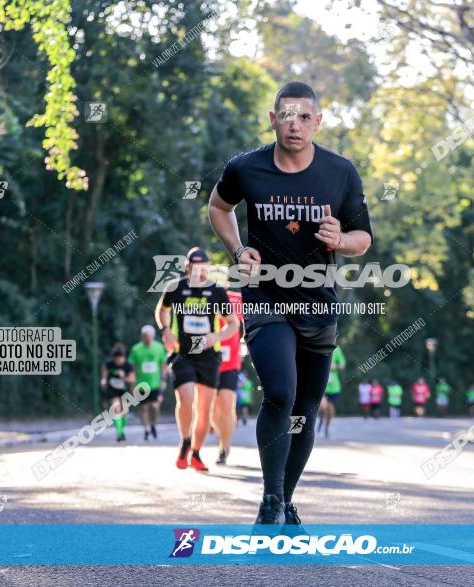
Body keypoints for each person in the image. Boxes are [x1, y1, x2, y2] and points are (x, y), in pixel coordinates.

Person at [208, 81, 373, 524]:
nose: (295, 125)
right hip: (265, 297)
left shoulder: (341, 172)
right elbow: (218, 207)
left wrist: (342, 239)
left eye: (304, 117)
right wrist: (238, 252)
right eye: (287, 115)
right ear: (273, 118)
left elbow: (363, 238)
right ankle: (270, 499)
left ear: (317, 122)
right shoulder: (246, 167)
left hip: (318, 303)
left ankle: (286, 498)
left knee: (306, 409)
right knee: (281, 391)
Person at [156, 247, 240, 472]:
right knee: (185, 398)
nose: (200, 269)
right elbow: (161, 311)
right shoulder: (176, 287)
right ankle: (185, 442)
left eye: (205, 265)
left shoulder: (216, 292)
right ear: (188, 266)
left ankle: (195, 453)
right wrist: (165, 331)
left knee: (204, 410)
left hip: (209, 357)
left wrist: (217, 336)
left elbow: (233, 324)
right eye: (196, 265)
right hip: (182, 353)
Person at [212, 289, 244, 465]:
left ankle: (224, 447)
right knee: (212, 410)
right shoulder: (201, 297)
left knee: (226, 404)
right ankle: (221, 433)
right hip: (208, 362)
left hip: (230, 363)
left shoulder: (236, 299)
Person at [128, 325, 167, 441]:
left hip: (155, 383)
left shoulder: (159, 348)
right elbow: (132, 367)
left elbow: (163, 365)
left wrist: (163, 380)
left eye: (149, 336)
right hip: (141, 384)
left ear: (153, 336)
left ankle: (153, 425)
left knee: (154, 406)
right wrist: (132, 382)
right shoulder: (136, 349)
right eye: (144, 336)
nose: (147, 338)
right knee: (143, 408)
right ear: (142, 336)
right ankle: (145, 430)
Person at [100, 343, 135, 441]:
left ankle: (122, 430)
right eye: (116, 358)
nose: (118, 361)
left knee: (124, 412)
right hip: (113, 390)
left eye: (120, 358)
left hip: (124, 390)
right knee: (116, 408)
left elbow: (131, 379)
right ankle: (119, 433)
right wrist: (103, 380)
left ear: (123, 358)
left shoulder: (128, 366)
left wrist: (123, 377)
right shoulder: (109, 364)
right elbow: (104, 372)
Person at [317, 345, 346, 437]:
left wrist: (335, 366)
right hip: (322, 385)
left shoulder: (337, 349)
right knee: (323, 407)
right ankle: (321, 419)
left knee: (330, 408)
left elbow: (342, 366)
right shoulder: (319, 345)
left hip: (334, 387)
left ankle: (327, 427)